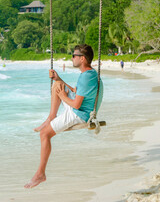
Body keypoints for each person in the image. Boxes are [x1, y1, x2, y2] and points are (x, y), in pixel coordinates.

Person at [25, 44, 103, 189]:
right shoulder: (89, 74)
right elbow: (76, 91)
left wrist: (62, 96)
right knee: (57, 85)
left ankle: (40, 174)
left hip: (79, 114)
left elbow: (77, 104)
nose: (72, 58)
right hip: (81, 109)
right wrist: (59, 79)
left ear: (83, 59)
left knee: (44, 134)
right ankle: (51, 117)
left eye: (74, 56)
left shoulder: (86, 78)